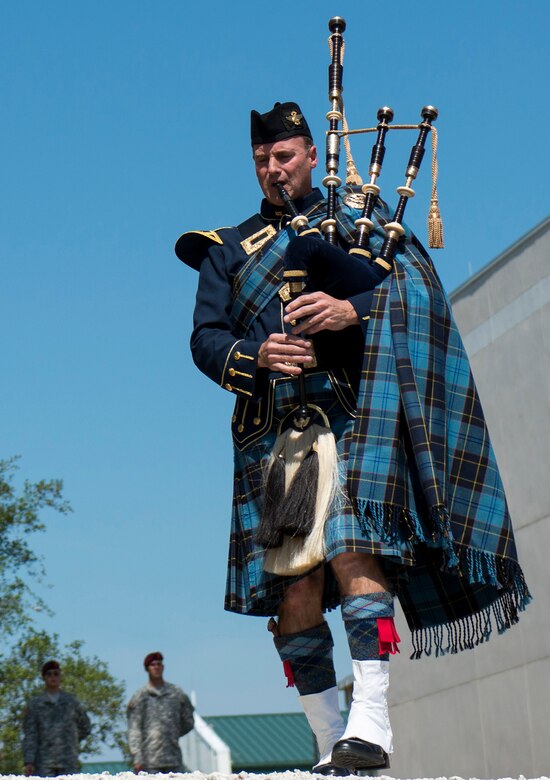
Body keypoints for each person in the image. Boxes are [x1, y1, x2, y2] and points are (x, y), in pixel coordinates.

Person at [175, 101, 530, 775]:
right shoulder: (228, 248)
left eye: (284, 157)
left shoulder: (364, 228)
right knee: (295, 591)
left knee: (354, 553)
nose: (273, 169)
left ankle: (370, 725)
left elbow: (421, 298)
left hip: (355, 421)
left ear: (312, 155)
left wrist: (350, 309)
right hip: (276, 436)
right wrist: (256, 356)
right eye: (261, 161)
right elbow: (205, 339)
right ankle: (328, 736)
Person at [127, 651, 194, 773]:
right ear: (147, 669)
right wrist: (137, 757)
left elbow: (188, 721)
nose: (156, 667)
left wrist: (171, 733)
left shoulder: (176, 693)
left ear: (163, 667)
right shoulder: (140, 696)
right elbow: (134, 729)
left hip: (173, 759)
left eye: (159, 664)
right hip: (149, 762)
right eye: (153, 665)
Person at [22, 660, 91, 777]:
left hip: (68, 760)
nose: (53, 677)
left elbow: (85, 726)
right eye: (49, 674)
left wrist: (71, 739)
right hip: (44, 762)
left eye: (56, 673)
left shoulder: (71, 702)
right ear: (44, 677)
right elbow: (30, 734)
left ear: (60, 676)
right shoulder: (35, 704)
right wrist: (29, 761)